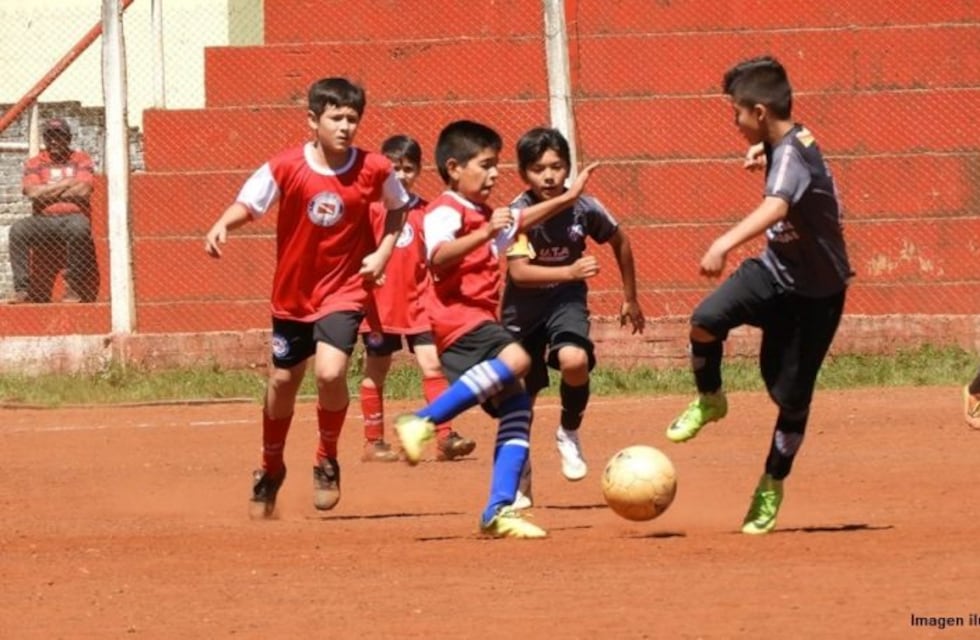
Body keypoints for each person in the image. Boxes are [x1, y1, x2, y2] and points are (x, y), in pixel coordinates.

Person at [204, 77, 411, 519]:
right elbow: (251, 203)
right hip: (293, 295)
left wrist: (382, 252)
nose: (346, 127)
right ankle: (270, 466)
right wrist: (224, 223)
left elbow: (399, 207)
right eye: (336, 117)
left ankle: (326, 459)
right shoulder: (285, 166)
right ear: (313, 120)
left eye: (353, 119)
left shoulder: (374, 168)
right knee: (282, 383)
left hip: (345, 289)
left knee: (331, 372)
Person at [664, 56, 853, 535]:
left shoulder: (791, 152)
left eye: (738, 113)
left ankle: (772, 482)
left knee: (792, 401)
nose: (735, 122)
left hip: (816, 294)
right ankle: (710, 398)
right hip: (773, 272)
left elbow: (778, 204)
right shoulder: (789, 142)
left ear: (761, 112)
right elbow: (795, 166)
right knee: (706, 319)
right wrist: (766, 154)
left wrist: (723, 243)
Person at [392, 119, 598, 539]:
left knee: (518, 409)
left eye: (496, 166)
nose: (494, 174)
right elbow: (439, 256)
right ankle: (423, 421)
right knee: (519, 357)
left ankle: (497, 509)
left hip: (477, 320)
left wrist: (570, 198)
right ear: (454, 168)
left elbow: (519, 222)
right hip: (457, 319)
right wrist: (485, 231)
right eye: (485, 165)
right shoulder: (446, 210)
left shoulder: (485, 214)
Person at [499, 127, 645, 509]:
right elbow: (519, 274)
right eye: (538, 169)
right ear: (523, 174)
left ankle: (569, 430)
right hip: (522, 311)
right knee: (520, 399)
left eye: (557, 166)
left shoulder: (585, 208)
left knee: (574, 360)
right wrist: (570, 272)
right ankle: (520, 477)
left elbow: (621, 241)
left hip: (566, 302)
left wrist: (630, 297)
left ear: (568, 168)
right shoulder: (519, 215)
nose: (548, 176)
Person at [358, 134, 476, 463]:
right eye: (394, 168)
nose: (401, 175)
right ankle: (373, 441)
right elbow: (355, 248)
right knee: (377, 369)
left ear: (419, 170)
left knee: (433, 364)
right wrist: (367, 269)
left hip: (421, 303)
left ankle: (445, 436)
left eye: (408, 169)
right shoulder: (370, 209)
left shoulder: (427, 212)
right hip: (380, 305)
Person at [7, 118, 98, 303]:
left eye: (59, 136)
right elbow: (32, 193)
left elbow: (84, 190)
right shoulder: (35, 162)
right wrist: (67, 184)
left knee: (80, 228)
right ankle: (22, 290)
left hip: (73, 217)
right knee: (18, 230)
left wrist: (46, 190)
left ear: (68, 138)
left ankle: (73, 287)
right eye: (49, 137)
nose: (54, 141)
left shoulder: (81, 158)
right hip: (43, 220)